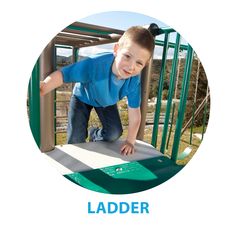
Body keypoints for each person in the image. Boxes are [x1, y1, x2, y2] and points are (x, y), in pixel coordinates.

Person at [40, 26, 155, 155]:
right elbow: (63, 74)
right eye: (127, 56)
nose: (131, 66)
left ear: (144, 65)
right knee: (76, 139)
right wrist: (44, 86)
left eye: (139, 63)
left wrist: (130, 141)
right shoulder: (94, 65)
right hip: (82, 97)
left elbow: (135, 113)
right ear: (116, 50)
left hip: (106, 101)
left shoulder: (134, 80)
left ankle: (94, 134)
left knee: (114, 133)